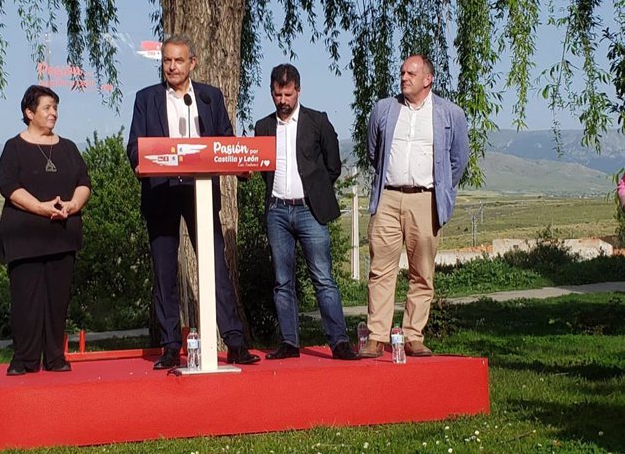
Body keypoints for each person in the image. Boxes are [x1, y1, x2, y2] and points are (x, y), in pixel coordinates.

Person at [127, 34, 259, 369]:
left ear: (192, 63)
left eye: (178, 61)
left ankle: (235, 342)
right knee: (165, 272)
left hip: (200, 191)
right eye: (167, 61)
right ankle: (171, 345)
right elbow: (134, 146)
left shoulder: (210, 98)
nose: (172, 66)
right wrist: (141, 162)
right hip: (161, 192)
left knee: (215, 267)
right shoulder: (146, 99)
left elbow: (227, 143)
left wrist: (240, 166)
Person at [360, 54, 469, 358]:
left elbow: (458, 160)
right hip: (388, 197)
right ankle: (377, 335)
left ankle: (413, 335)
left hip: (426, 199)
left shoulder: (450, 113)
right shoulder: (384, 109)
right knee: (380, 268)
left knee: (422, 272)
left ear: (427, 79)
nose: (404, 77)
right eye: (402, 72)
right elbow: (374, 152)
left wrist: (441, 188)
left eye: (411, 73)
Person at [254, 64, 359, 361]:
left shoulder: (318, 121)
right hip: (277, 210)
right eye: (277, 94)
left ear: (298, 90)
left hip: (309, 210)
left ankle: (339, 342)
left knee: (323, 278)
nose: (282, 100)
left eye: (288, 94)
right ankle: (289, 342)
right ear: (271, 93)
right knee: (282, 280)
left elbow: (333, 166)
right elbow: (264, 170)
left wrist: (315, 193)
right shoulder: (263, 126)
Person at [0, 85, 91, 376]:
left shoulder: (69, 147)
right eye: (47, 108)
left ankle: (54, 357)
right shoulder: (14, 147)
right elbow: (8, 187)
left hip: (62, 235)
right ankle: (24, 359)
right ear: (29, 112)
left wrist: (73, 204)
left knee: (57, 300)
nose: (53, 113)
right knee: (25, 300)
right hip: (25, 237)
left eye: (55, 108)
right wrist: (40, 207)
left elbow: (84, 182)